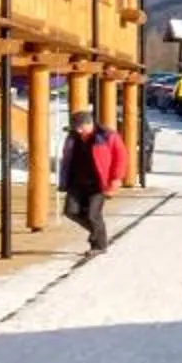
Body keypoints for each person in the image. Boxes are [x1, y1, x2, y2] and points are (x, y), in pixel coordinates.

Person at [58, 107, 127, 254]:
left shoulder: (107, 136)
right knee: (71, 211)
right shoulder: (72, 137)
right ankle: (98, 232)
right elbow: (66, 159)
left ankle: (99, 245)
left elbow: (120, 158)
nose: (78, 131)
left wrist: (115, 179)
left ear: (89, 124)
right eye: (76, 128)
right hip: (76, 181)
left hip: (99, 182)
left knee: (93, 214)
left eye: (80, 128)